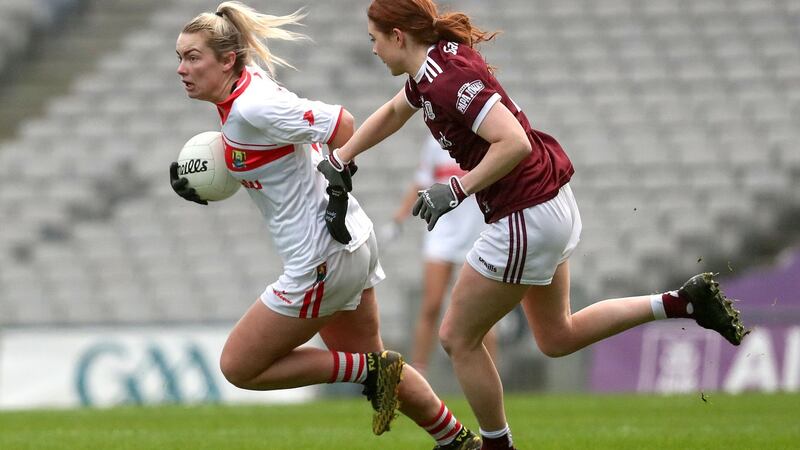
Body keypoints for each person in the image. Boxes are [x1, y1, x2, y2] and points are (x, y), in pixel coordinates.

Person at [321, 1, 749, 449]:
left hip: (525, 210)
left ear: (397, 36)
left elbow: (514, 142)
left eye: (374, 39)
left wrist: (457, 190)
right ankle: (681, 302)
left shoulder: (448, 80)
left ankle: (497, 444)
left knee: (457, 338)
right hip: (546, 203)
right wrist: (343, 156)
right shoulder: (431, 71)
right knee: (556, 335)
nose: (372, 50)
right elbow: (392, 112)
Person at [170, 3, 481, 449]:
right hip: (348, 241)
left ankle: (366, 372)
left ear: (227, 60)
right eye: (179, 57)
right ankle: (458, 441)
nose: (182, 68)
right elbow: (269, 162)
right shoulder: (241, 95)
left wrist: (337, 172)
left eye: (192, 57)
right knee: (376, 362)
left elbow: (342, 124)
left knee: (239, 366)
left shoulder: (254, 105)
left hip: (321, 256)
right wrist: (206, 180)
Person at [385, 134, 496, 375]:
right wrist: (399, 218)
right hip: (442, 231)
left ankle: (491, 376)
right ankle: (418, 374)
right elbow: (421, 181)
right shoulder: (435, 142)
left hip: (477, 233)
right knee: (432, 304)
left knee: (481, 311)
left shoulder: (484, 136)